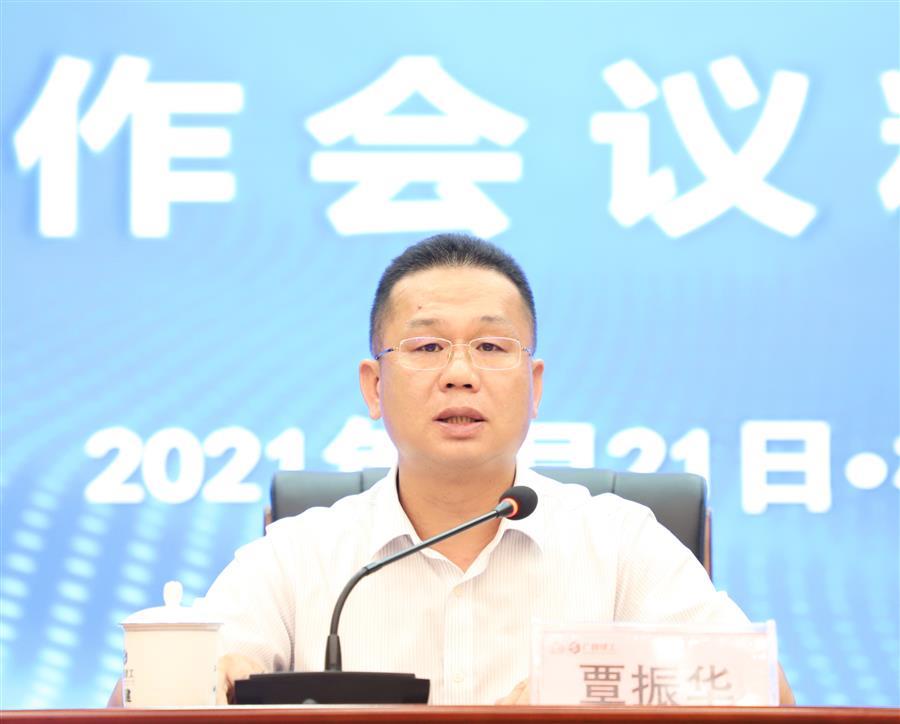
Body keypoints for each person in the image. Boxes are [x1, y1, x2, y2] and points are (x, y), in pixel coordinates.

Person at [111, 232, 794, 706]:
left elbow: (766, 693)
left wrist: (589, 684)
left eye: (491, 347)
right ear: (374, 386)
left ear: (534, 385)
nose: (460, 374)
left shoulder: (618, 543)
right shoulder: (301, 556)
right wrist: (195, 677)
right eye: (427, 346)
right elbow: (134, 705)